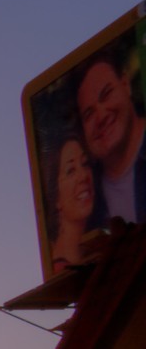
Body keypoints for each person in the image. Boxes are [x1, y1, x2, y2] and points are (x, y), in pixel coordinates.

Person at [75, 50, 146, 227]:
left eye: (106, 94)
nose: (101, 116)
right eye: (89, 114)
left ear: (125, 84)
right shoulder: (87, 200)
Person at [49, 137, 98, 269]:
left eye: (85, 163)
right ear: (56, 198)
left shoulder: (94, 256)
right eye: (70, 171)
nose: (83, 176)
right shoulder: (61, 275)